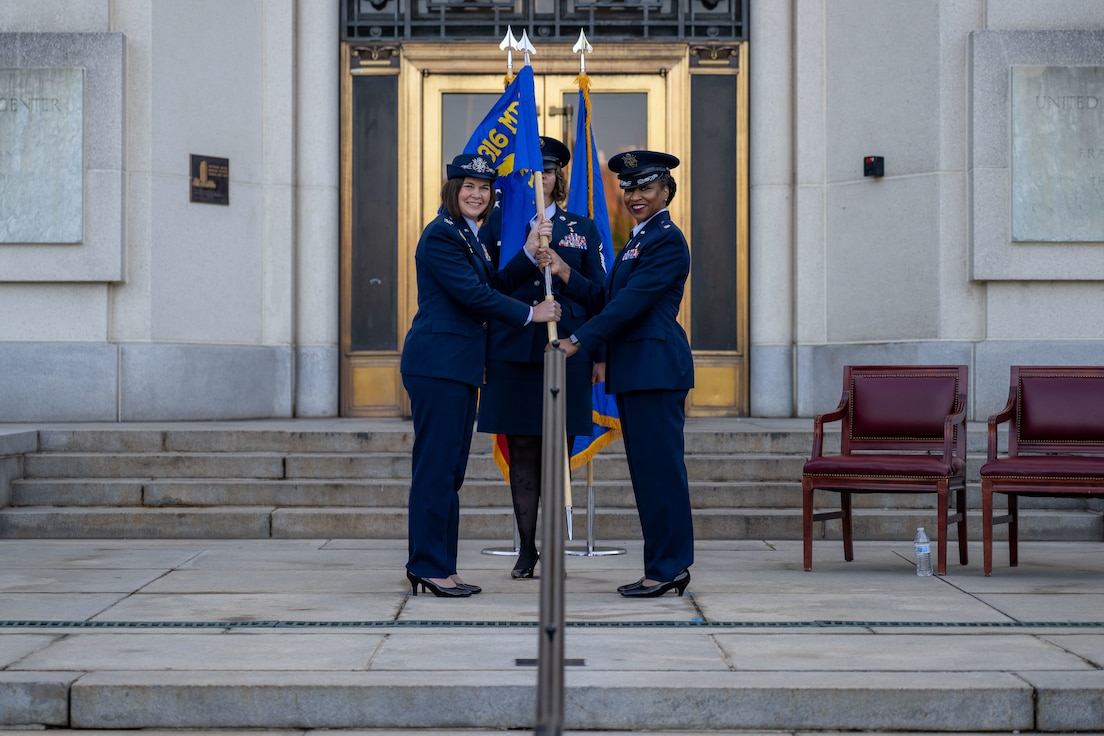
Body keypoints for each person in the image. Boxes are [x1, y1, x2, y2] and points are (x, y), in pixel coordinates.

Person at [401, 153, 561, 598]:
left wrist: (529, 253)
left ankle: (441, 567)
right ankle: (428, 566)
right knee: (436, 469)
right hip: (438, 365)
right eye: (469, 186)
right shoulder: (441, 235)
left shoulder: (467, 236)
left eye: (485, 188)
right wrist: (532, 314)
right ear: (453, 190)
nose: (477, 194)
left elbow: (492, 285)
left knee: (449, 472)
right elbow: (474, 296)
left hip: (458, 366)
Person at [539, 150, 694, 598]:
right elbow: (607, 297)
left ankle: (668, 569)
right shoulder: (636, 240)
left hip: (656, 368)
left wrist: (577, 341)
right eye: (628, 188)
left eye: (646, 187)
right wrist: (566, 270)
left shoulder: (666, 239)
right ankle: (661, 566)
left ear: (666, 191)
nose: (634, 196)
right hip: (637, 371)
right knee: (648, 473)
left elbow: (629, 306)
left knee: (661, 472)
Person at [477, 136, 607, 579]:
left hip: (564, 352)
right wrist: (528, 252)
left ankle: (554, 548)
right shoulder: (499, 224)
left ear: (557, 178)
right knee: (523, 454)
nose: (541, 179)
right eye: (532, 172)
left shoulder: (582, 229)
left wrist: (564, 272)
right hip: (513, 354)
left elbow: (600, 297)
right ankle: (527, 547)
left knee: (557, 456)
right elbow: (486, 289)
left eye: (547, 172)